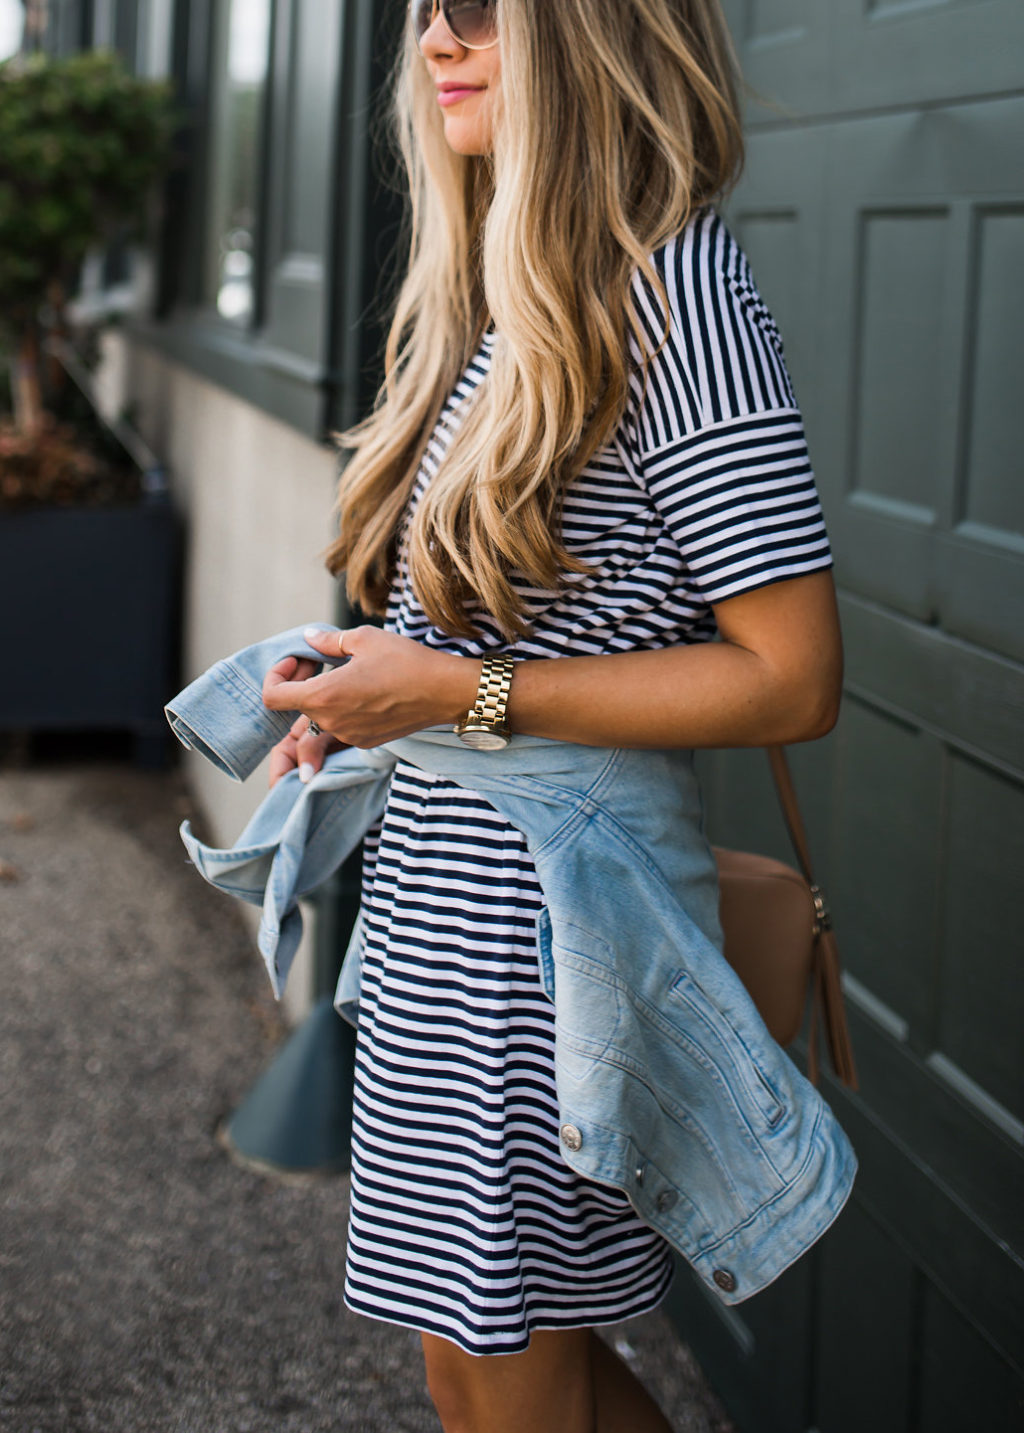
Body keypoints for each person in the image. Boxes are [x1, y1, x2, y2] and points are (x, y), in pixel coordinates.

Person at [260, 1, 843, 1428]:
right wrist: (373, 692)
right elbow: (500, 624)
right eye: (424, 14)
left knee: (517, 1373)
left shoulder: (675, 289)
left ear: (593, 38)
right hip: (442, 903)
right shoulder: (508, 299)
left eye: (479, 13)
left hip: (549, 928)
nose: (434, 43)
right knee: (480, 1365)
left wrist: (460, 691)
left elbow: (792, 675)